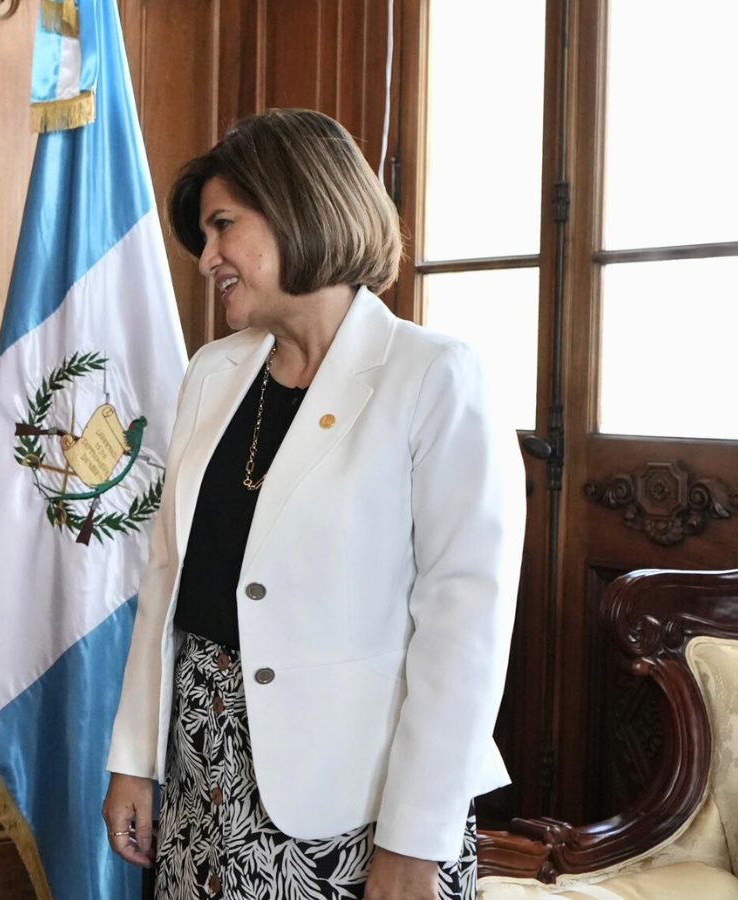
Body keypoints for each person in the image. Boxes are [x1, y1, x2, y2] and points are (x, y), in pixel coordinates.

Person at [101, 109, 525, 900]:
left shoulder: (435, 375)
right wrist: (134, 758)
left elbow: (464, 631)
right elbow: (165, 578)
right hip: (201, 769)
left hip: (358, 802)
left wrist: (416, 840)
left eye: (223, 226)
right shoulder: (212, 372)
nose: (207, 258)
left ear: (300, 206)